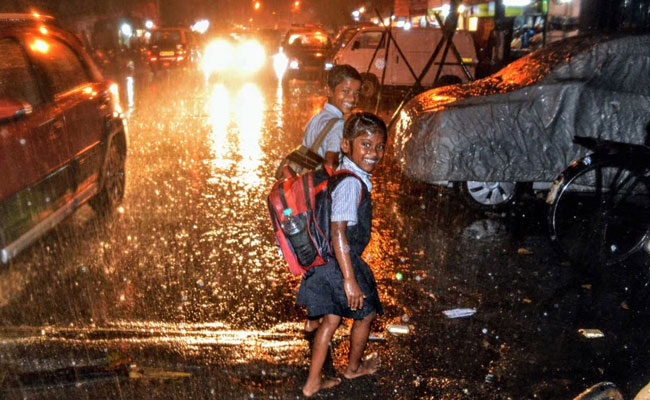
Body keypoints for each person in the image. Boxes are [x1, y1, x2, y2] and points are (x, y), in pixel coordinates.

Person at [297, 112, 387, 397]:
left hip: (327, 263)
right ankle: (353, 368)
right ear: (347, 145)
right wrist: (350, 279)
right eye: (366, 145)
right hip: (340, 262)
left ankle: (313, 383)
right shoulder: (351, 183)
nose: (374, 153)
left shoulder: (345, 174)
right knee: (367, 312)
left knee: (331, 320)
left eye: (380, 146)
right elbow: (338, 232)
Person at [302, 64, 361, 169]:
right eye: (345, 91)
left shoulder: (316, 118)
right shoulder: (339, 125)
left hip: (310, 180)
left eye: (356, 93)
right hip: (324, 184)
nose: (352, 98)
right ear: (329, 91)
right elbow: (331, 164)